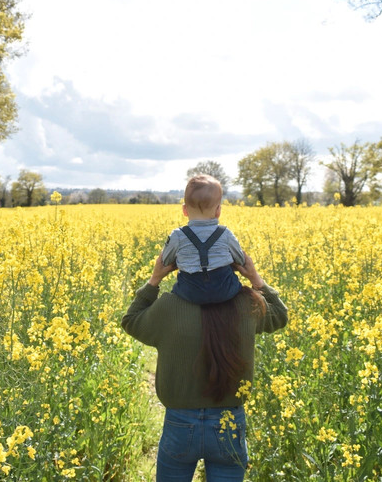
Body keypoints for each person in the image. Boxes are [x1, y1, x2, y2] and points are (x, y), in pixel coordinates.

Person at [121, 251, 288, 481]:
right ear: (233, 264)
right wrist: (254, 277)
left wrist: (155, 279)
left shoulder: (168, 307)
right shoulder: (246, 304)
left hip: (180, 422)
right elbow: (280, 315)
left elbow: (131, 320)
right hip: (229, 423)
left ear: (180, 266)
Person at [161, 174, 245, 305]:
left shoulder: (177, 235)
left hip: (189, 293)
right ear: (218, 211)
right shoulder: (226, 234)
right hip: (226, 292)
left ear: (184, 210)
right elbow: (240, 260)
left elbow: (165, 261)